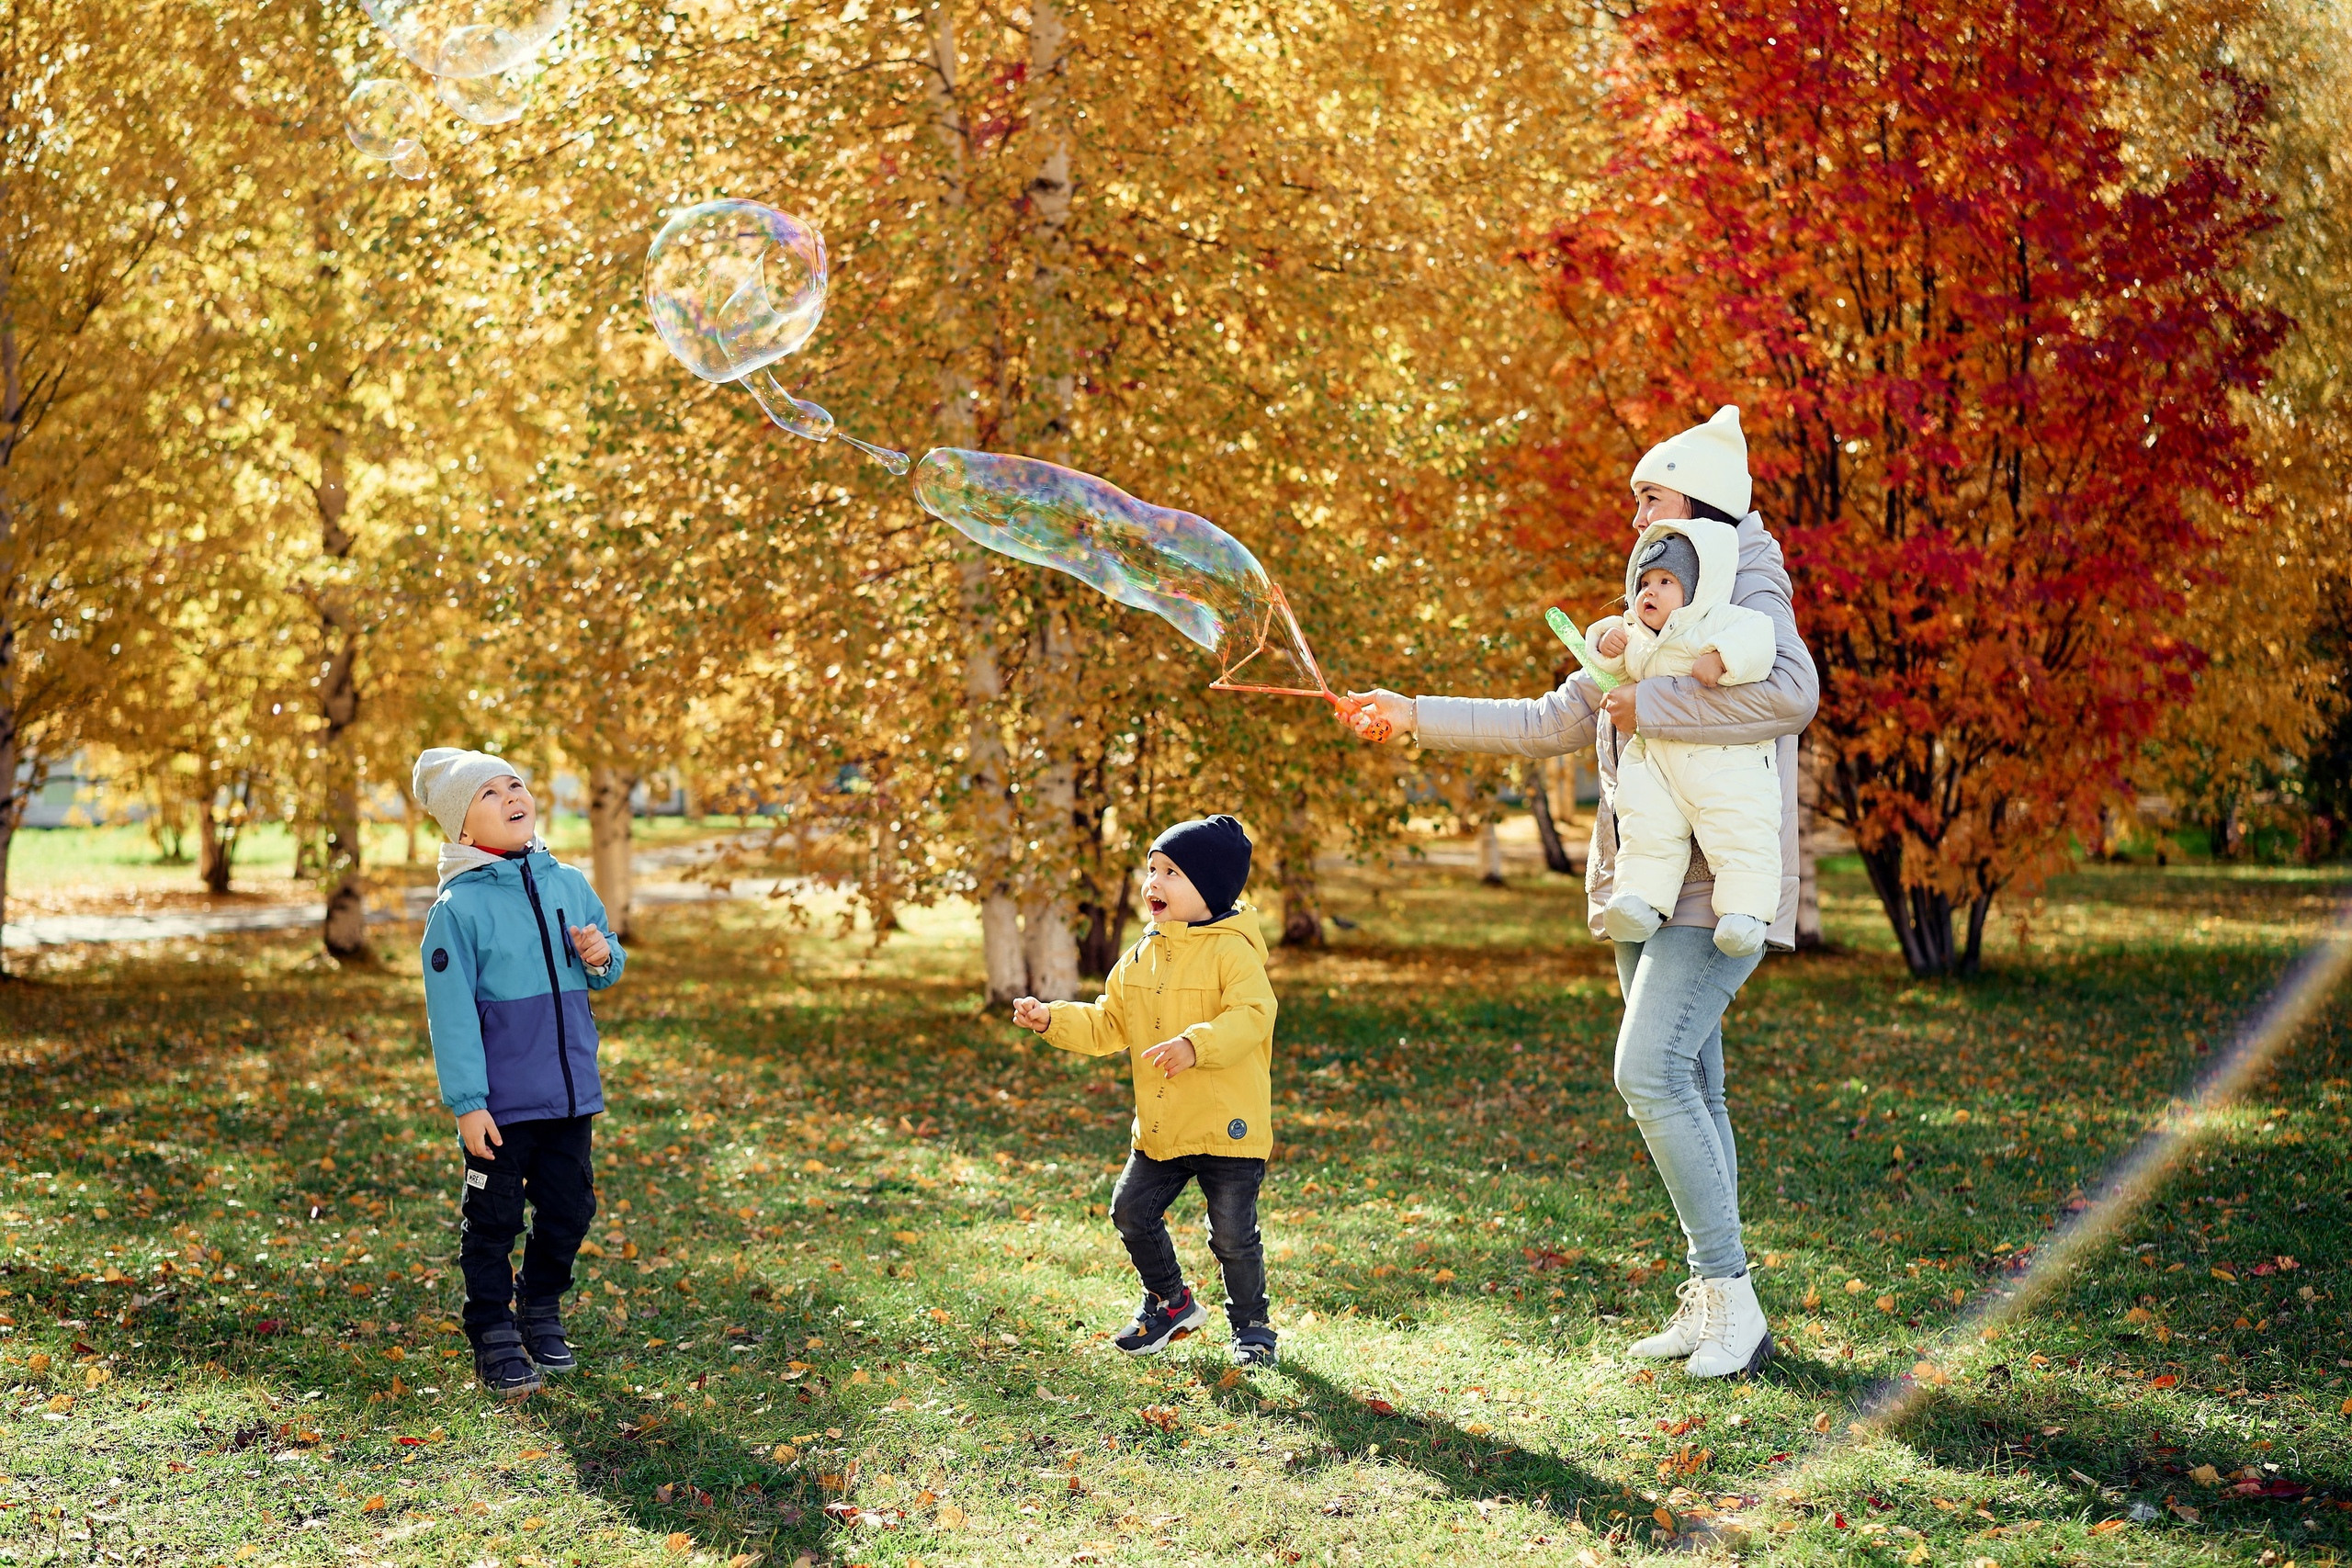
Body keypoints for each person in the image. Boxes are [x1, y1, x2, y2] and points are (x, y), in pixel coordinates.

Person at [1341, 405, 1815, 1379]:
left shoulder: (1748, 576)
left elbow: (1791, 692)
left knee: (1647, 1073)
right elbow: (1552, 718)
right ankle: (1714, 1300)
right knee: (1693, 1084)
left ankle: (1732, 1300)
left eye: (1650, 496)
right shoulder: (1656, 594)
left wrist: (1653, 701)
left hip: (1715, 878)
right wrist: (1412, 712)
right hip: (1642, 871)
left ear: (1700, 501)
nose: (1634, 514)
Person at [1010, 815, 1282, 1368]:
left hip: (1229, 1126)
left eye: (1171, 872)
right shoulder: (1141, 956)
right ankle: (1170, 1301)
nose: (1153, 882)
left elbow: (1254, 1015)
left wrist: (1195, 1045)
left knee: (1232, 1235)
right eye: (1151, 869)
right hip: (1164, 1125)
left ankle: (1252, 1329)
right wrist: (1052, 1020)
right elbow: (1109, 1023)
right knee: (1131, 1210)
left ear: (1208, 887)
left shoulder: (1233, 952)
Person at [414, 748, 627, 1398]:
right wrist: (468, 1102)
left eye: (515, 785)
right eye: (490, 793)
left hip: (568, 1093)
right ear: (462, 827)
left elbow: (608, 960)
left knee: (570, 1208)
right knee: (494, 1218)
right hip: (501, 1104)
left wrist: (601, 954)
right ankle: (492, 1329)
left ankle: (539, 1305)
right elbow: (451, 1015)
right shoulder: (457, 909)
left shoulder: (568, 882)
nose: (511, 796)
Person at [1582, 514, 1781, 957]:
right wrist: (1607, 646)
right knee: (1645, 823)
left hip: (1723, 760)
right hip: (1657, 761)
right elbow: (1611, 672)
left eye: (1665, 581)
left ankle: (1745, 915)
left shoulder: (1716, 620)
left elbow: (1759, 637)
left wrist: (1722, 657)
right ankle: (1639, 900)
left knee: (1739, 828)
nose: (1649, 592)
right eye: (1643, 583)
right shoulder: (1637, 635)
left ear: (1694, 590)